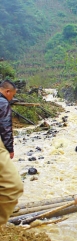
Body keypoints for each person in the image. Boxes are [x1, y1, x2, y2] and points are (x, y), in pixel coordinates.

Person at [0, 80, 23, 225]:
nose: (12, 99)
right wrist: (10, 148)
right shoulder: (2, 103)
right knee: (13, 185)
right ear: (7, 92)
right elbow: (5, 126)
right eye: (12, 95)